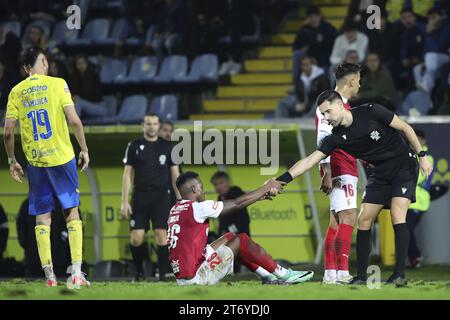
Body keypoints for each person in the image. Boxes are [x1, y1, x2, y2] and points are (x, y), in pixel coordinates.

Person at [274, 90, 433, 285]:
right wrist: (281, 180)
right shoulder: (336, 138)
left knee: (397, 215)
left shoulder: (371, 111)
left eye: (328, 112)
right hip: (380, 172)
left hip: (403, 166)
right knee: (364, 219)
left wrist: (422, 155)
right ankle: (360, 276)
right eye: (322, 114)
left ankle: (399, 274)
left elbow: (405, 128)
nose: (325, 118)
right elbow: (309, 161)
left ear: (340, 105)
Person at [3, 46, 90, 287]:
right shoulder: (57, 83)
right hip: (62, 158)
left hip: (36, 162)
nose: (47, 65)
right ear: (35, 65)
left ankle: (49, 275)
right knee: (71, 212)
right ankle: (76, 273)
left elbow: (8, 131)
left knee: (43, 218)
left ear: (24, 69)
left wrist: (12, 160)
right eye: (44, 61)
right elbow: (74, 120)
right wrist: (84, 149)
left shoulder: (16, 91)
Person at [168, 171, 314, 286]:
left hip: (184, 276)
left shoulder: (176, 209)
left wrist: (258, 196)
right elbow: (237, 204)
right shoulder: (197, 207)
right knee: (241, 239)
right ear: (194, 188)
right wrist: (267, 187)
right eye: (202, 187)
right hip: (197, 277)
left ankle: (267, 276)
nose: (204, 191)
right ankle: (283, 274)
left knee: (230, 237)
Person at [121, 112, 181, 281]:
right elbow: (127, 175)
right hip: (140, 196)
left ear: (159, 126)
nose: (152, 127)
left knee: (162, 236)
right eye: (148, 124)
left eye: (155, 124)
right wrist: (124, 201)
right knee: (136, 238)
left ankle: (163, 275)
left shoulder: (168, 147)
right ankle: (139, 273)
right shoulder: (134, 146)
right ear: (143, 125)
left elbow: (175, 174)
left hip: (161, 196)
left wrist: (179, 200)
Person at [316, 63, 360, 284]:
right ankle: (343, 273)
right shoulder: (330, 103)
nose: (359, 84)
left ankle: (330, 273)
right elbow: (323, 136)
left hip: (342, 164)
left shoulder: (343, 104)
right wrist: (327, 169)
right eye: (359, 80)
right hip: (340, 165)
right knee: (349, 216)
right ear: (352, 81)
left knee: (335, 222)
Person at [210, 171, 250, 274]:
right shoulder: (220, 198)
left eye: (221, 183)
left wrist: (228, 232)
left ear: (228, 182)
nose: (218, 187)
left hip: (239, 237)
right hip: (228, 239)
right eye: (215, 184)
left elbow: (244, 219)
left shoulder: (236, 194)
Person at [406, 129, 434, 268]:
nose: (413, 141)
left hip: (418, 202)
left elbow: (418, 178)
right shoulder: (413, 154)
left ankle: (415, 257)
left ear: (422, 141)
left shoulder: (426, 157)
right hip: (409, 200)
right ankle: (413, 258)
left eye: (416, 138)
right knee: (405, 229)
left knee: (406, 229)